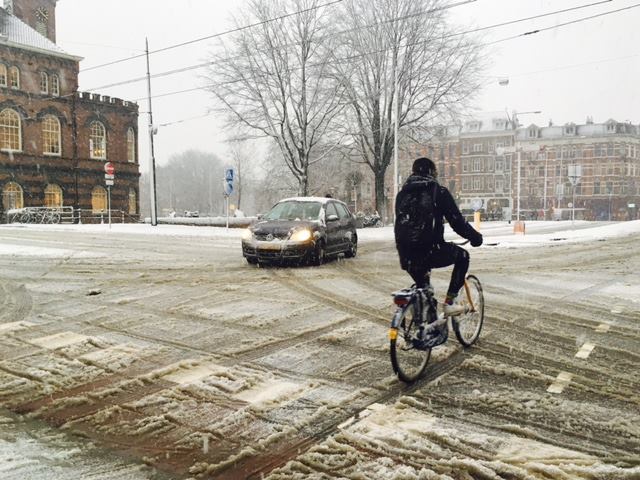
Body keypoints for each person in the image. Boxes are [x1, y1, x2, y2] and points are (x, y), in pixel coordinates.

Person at [395, 157, 483, 317]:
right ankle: (449, 303)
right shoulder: (438, 192)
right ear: (432, 173)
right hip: (429, 250)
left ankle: (424, 325)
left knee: (424, 289)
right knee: (463, 257)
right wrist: (475, 237)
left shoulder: (402, 195)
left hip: (406, 254)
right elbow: (457, 222)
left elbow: (406, 225)